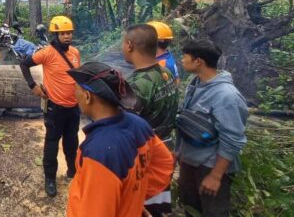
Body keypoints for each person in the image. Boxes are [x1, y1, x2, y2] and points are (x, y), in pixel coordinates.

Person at [65, 62, 174, 216]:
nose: (73, 95)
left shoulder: (99, 153)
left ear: (87, 96)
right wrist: (134, 197)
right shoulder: (139, 124)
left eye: (75, 90)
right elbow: (165, 164)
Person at [176, 40, 248, 217]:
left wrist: (216, 176)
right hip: (190, 163)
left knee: (213, 212)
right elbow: (185, 121)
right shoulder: (195, 85)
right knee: (191, 210)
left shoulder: (226, 96)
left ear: (198, 61)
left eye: (185, 56)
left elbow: (233, 138)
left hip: (209, 167)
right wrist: (178, 153)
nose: (181, 60)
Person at [19, 15, 81, 197]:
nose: (67, 36)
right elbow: (24, 64)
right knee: (52, 144)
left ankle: (72, 171)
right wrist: (33, 86)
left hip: (73, 108)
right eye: (63, 33)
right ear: (55, 35)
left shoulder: (75, 53)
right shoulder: (47, 52)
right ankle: (50, 179)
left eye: (69, 32)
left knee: (72, 141)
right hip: (55, 108)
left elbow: (77, 76)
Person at [122, 24, 179, 216]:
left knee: (143, 206)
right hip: (165, 150)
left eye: (123, 43)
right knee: (160, 203)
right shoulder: (166, 72)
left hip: (147, 160)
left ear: (129, 45)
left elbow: (127, 130)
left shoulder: (137, 85)